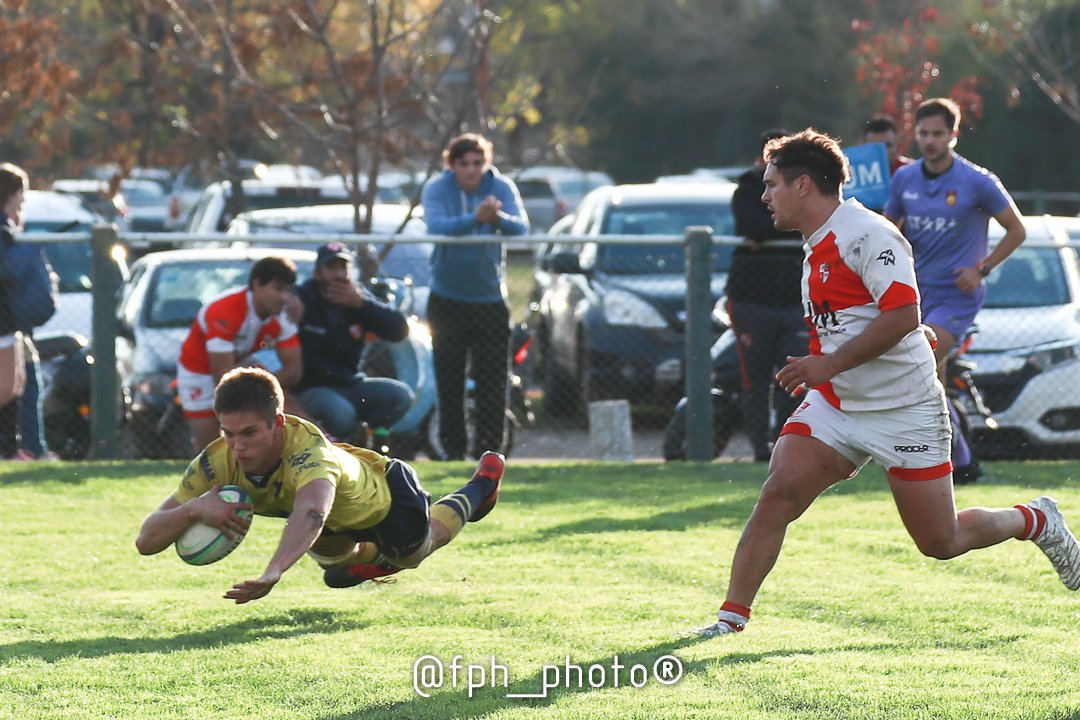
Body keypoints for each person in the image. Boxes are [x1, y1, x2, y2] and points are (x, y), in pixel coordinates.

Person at [691, 129, 1079, 640]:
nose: (764, 196)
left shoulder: (869, 234)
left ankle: (1035, 519)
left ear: (803, 185)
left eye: (772, 185)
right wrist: (824, 371)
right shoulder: (814, 244)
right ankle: (730, 619)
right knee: (778, 493)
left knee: (941, 541)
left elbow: (902, 315)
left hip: (905, 408)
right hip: (838, 405)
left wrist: (825, 365)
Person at [135, 367, 505, 603]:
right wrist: (194, 508)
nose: (238, 446)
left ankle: (479, 489)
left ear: (277, 423)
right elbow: (146, 541)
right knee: (333, 568)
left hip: (386, 495)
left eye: (249, 432)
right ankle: (374, 561)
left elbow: (312, 511)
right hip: (330, 520)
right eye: (229, 433)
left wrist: (273, 570)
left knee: (413, 554)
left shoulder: (309, 451)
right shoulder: (216, 463)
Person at [884, 97, 1026, 482]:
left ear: (954, 135)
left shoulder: (977, 181)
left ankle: (935, 459)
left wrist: (983, 269)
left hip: (955, 295)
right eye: (924, 133)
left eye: (938, 134)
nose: (929, 141)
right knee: (931, 382)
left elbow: (1018, 229)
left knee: (918, 363)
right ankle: (961, 463)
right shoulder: (905, 179)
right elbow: (889, 228)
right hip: (915, 293)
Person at [421, 133, 528, 460]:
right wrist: (475, 219)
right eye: (464, 163)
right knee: (449, 380)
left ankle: (489, 454)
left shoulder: (501, 187)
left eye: (478, 162)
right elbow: (437, 226)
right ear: (451, 164)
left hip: (490, 300)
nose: (472, 169)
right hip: (447, 299)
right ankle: (453, 453)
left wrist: (498, 219)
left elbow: (521, 227)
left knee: (494, 382)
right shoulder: (437, 188)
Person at [725, 129, 808, 462]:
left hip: (794, 300)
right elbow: (752, 226)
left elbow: (811, 220)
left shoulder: (805, 188)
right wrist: (788, 225)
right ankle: (760, 448)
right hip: (751, 301)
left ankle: (786, 445)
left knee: (794, 376)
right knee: (755, 379)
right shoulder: (746, 189)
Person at [177, 256, 304, 452]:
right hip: (199, 370)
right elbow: (223, 375)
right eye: (278, 289)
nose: (284, 297)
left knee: (283, 400)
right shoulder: (225, 309)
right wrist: (259, 391)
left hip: (239, 361)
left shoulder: (284, 312)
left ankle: (327, 446)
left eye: (289, 290)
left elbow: (294, 372)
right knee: (211, 449)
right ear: (256, 284)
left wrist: (265, 391)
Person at [294, 241, 415, 442]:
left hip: (350, 383)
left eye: (343, 267)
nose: (339, 274)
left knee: (400, 396)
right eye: (331, 268)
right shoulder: (303, 298)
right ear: (318, 273)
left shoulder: (357, 298)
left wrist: (362, 305)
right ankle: (339, 446)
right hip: (311, 387)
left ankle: (374, 441)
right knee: (342, 415)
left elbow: (399, 330)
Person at [3, 165, 58, 459]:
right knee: (12, 386)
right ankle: (27, 448)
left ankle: (23, 447)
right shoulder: (6, 235)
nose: (21, 208)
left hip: (12, 326)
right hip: (5, 325)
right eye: (19, 200)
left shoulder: (11, 232)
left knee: (23, 380)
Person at [0, 164, 28, 460]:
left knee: (17, 383)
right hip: (2, 320)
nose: (24, 198)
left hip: (10, 320)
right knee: (6, 388)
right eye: (21, 192)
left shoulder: (8, 226)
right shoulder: (2, 230)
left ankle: (9, 450)